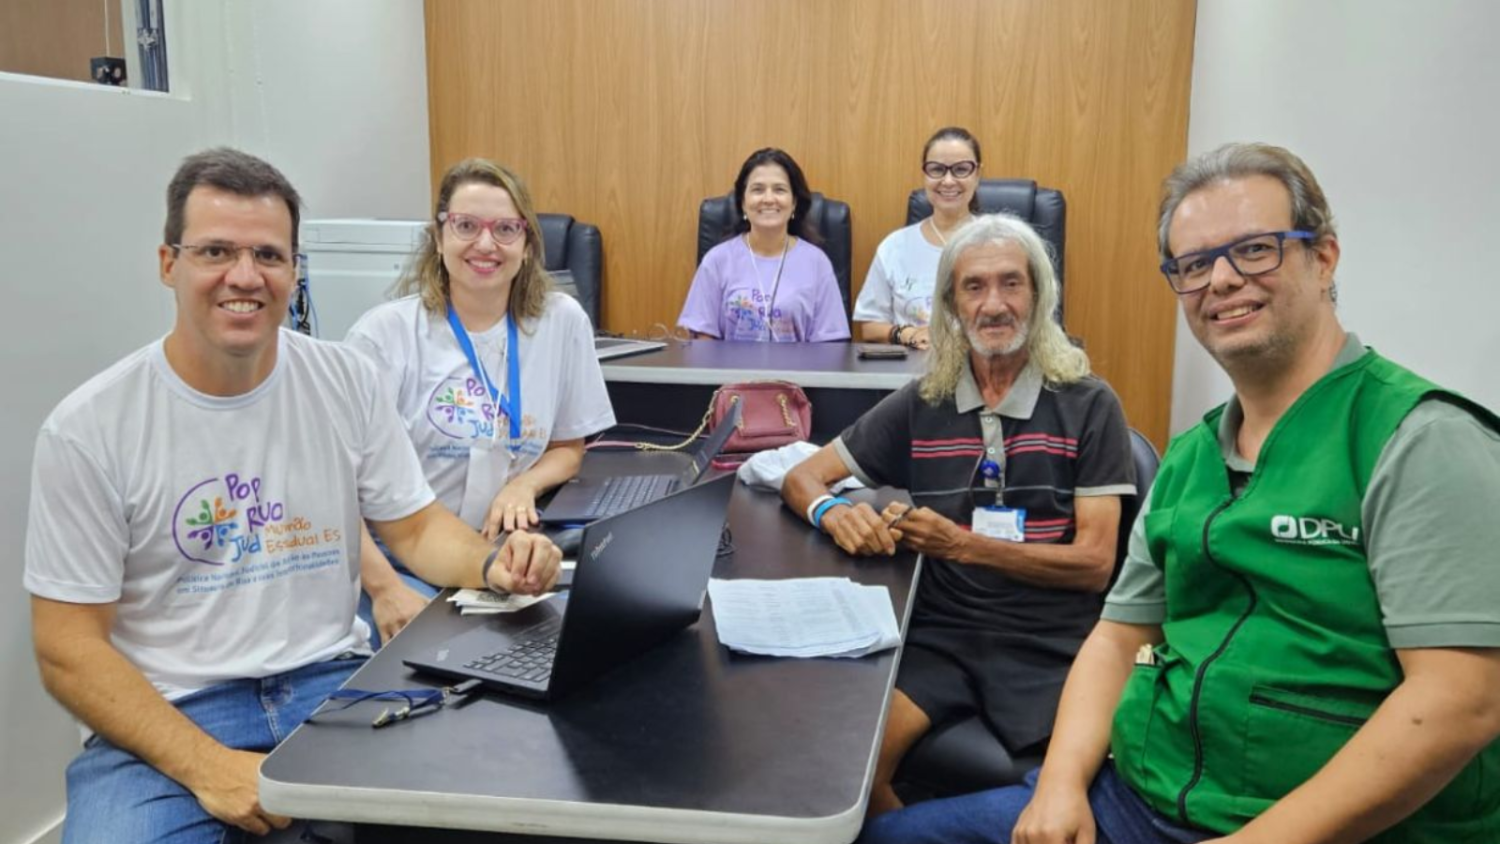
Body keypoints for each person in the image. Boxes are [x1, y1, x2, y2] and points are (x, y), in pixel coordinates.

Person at [859, 143, 1500, 844]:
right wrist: (1061, 788)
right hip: (1140, 795)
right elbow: (1116, 637)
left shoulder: (1420, 439)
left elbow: (1462, 701)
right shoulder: (1194, 456)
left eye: (1255, 250)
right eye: (1194, 265)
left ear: (1323, 258)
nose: (1221, 281)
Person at [24, 148, 561, 844]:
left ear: (294, 270)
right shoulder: (90, 429)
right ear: (168, 264)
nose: (244, 276)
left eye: (269, 256)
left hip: (329, 686)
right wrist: (207, 765)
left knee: (499, 810)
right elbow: (67, 646)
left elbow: (418, 529)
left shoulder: (344, 380)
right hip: (173, 710)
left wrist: (494, 565)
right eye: (215, 250)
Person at [782, 214, 1136, 818]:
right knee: (846, 781)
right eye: (974, 287)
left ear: (1039, 295)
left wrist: (964, 545)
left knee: (1070, 807)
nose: (993, 304)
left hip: (1053, 639)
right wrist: (831, 511)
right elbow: (802, 475)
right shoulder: (926, 400)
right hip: (943, 636)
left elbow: (1093, 566)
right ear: (949, 303)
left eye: (1010, 283)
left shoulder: (1088, 402)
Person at [345, 159, 615, 619]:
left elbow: (569, 446)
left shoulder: (560, 320)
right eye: (466, 225)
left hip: (505, 549)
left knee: (588, 630)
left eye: (506, 229)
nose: (485, 244)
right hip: (401, 559)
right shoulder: (383, 336)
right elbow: (338, 489)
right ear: (439, 236)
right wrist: (384, 587)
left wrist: (524, 486)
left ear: (528, 243)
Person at [677, 147, 850, 342]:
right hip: (731, 372)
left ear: (794, 202)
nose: (768, 199)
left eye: (779, 189)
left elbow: (830, 346)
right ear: (742, 202)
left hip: (798, 372)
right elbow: (703, 339)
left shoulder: (817, 263)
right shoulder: (717, 261)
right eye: (758, 190)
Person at [854, 126, 984, 350]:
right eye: (937, 170)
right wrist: (907, 333)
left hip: (984, 372)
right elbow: (869, 326)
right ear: (924, 174)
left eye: (961, 169)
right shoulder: (895, 247)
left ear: (978, 174)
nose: (948, 181)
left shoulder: (1001, 245)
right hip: (910, 377)